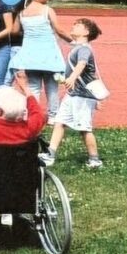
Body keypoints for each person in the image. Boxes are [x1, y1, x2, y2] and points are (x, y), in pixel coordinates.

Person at [42, 18, 104, 170]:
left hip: (83, 96)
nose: (73, 26)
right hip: (73, 94)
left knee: (84, 129)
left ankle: (95, 160)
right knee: (60, 122)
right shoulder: (77, 47)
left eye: (78, 25)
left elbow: (81, 64)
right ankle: (50, 154)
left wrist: (72, 77)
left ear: (86, 32)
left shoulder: (84, 49)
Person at [9, 0, 68, 117]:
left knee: (34, 87)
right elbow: (59, 30)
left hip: (30, 55)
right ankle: (53, 116)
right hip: (48, 55)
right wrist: (74, 41)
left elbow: (14, 31)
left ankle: (33, 115)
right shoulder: (48, 10)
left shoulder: (22, 13)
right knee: (52, 87)